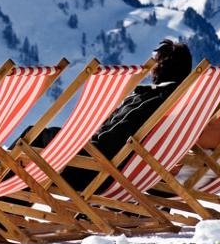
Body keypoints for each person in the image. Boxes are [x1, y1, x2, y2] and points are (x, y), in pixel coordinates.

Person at [22, 38, 194, 191]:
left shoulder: (154, 100)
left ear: (161, 66)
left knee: (32, 137)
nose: (151, 67)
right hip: (121, 172)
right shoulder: (178, 102)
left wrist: (81, 140)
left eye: (155, 61)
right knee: (35, 148)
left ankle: (1, 206)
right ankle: (7, 204)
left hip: (95, 172)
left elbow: (111, 140)